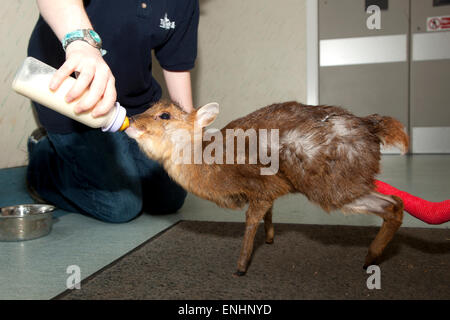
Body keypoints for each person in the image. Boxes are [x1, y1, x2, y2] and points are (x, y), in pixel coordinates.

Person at [26, 0, 199, 222]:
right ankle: (42, 161)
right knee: (121, 207)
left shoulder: (184, 4)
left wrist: (188, 131)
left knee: (170, 198)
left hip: (135, 105)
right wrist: (82, 44)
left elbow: (178, 67)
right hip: (71, 98)